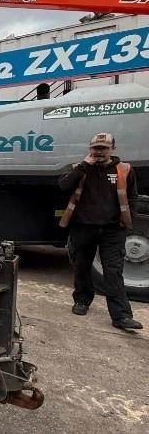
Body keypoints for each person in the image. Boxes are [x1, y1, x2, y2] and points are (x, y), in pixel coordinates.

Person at [58, 132, 142, 331]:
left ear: (113, 149)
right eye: (96, 148)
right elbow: (63, 186)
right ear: (90, 149)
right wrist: (83, 166)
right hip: (83, 227)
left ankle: (121, 316)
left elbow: (133, 196)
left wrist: (129, 221)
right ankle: (82, 301)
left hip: (112, 230)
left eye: (104, 148)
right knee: (82, 266)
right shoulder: (79, 168)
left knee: (113, 271)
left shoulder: (124, 169)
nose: (99, 152)